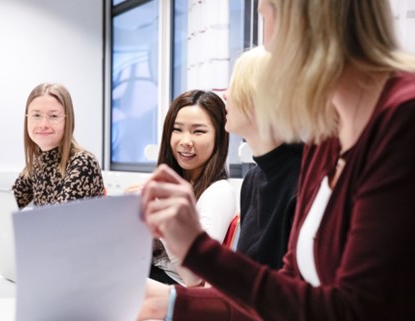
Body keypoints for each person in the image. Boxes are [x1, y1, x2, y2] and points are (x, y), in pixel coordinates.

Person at [140, 0, 415, 320]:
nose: (267, 43)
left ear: (303, 22)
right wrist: (172, 302)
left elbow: (354, 308)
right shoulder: (326, 135)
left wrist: (196, 249)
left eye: (266, 17)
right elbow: (290, 290)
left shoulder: (402, 119)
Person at [137, 46, 303, 320]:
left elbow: (284, 297)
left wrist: (173, 300)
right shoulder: (254, 178)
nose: (224, 95)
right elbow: (246, 282)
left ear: (261, 101)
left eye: (234, 87)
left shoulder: (301, 182)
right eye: (177, 129)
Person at [145, 89, 236, 287]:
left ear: (219, 137)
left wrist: (164, 223)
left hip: (174, 291)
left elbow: (197, 277)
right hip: (150, 274)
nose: (185, 141)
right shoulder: (174, 183)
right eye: (177, 129)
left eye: (198, 131)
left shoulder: (218, 193)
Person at [12, 83, 104, 208]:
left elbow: (59, 222)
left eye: (54, 116)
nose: (43, 124)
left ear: (68, 121)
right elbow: (6, 205)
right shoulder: (38, 163)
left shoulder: (83, 162)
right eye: (36, 115)